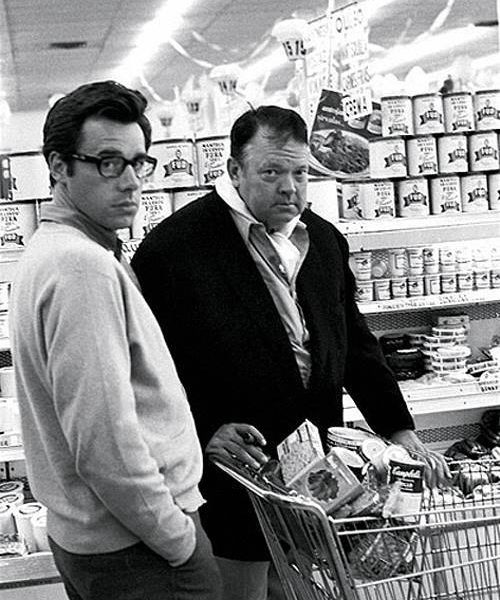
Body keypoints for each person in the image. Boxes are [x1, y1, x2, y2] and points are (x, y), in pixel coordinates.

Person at [131, 105, 450, 600]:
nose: (290, 187)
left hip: (319, 472)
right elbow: (150, 370)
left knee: (304, 588)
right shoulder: (174, 251)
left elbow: (356, 345)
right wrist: (199, 431)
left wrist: (398, 428)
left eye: (300, 172)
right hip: (235, 473)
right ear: (235, 171)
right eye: (272, 172)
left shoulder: (323, 239)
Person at [9, 80, 221, 600]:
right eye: (107, 162)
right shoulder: (82, 268)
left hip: (96, 543)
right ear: (58, 167)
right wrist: (179, 543)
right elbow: (103, 443)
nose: (130, 182)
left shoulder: (52, 251)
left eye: (137, 162)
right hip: (137, 551)